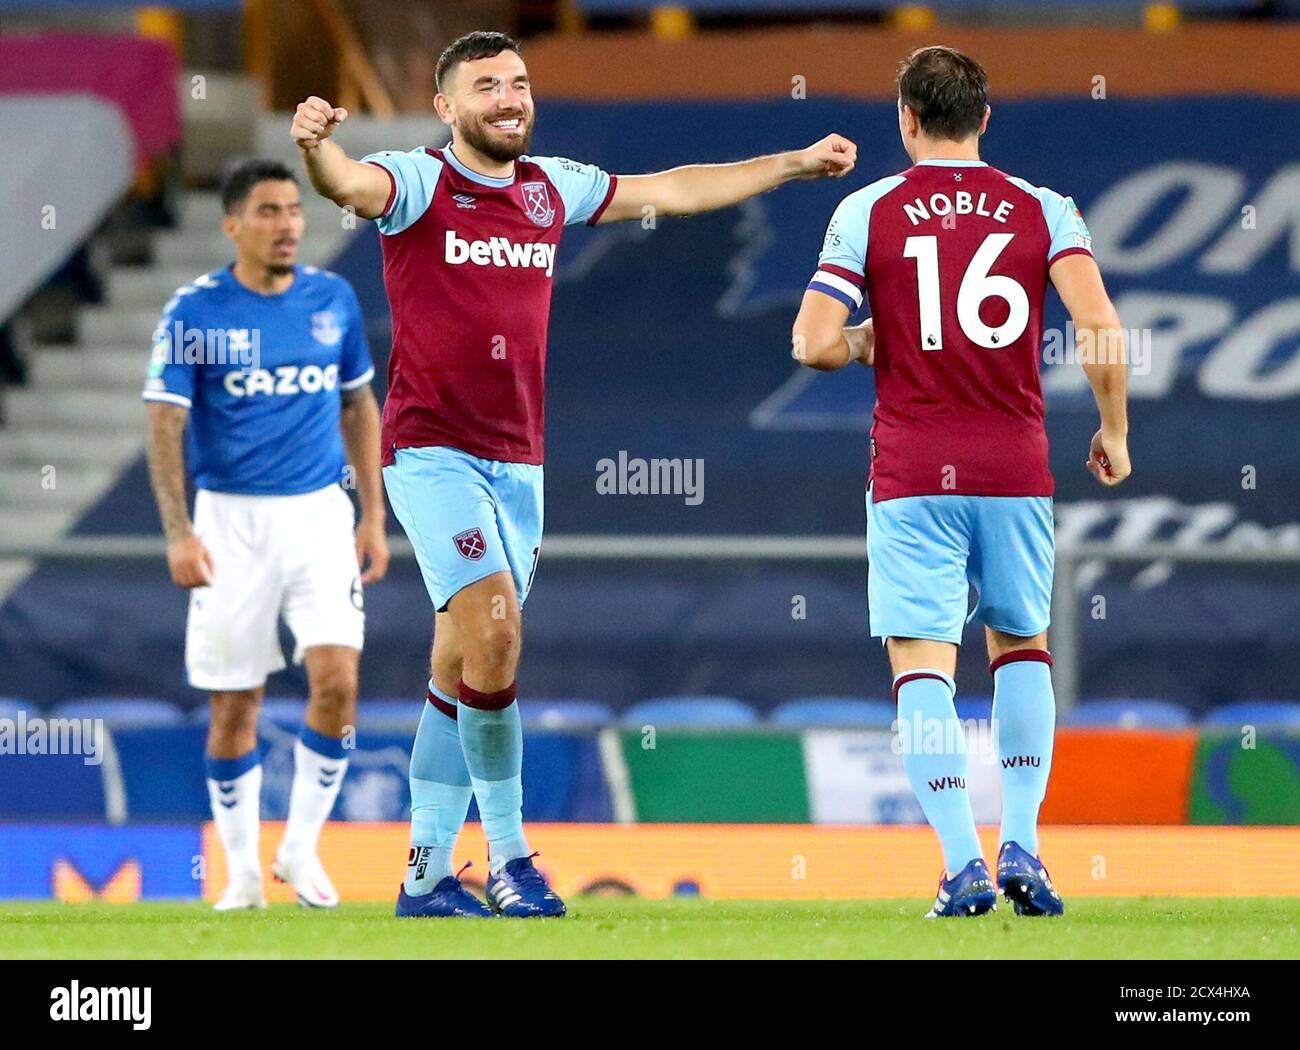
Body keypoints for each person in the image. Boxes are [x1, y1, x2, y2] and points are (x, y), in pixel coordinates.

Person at [292, 29, 857, 918]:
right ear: (447, 107)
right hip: (432, 454)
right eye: (487, 86)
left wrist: (788, 163)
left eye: (518, 82)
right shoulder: (419, 182)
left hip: (519, 463)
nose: (510, 98)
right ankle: (514, 859)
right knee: (500, 631)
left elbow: (672, 189)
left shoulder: (552, 188)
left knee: (463, 664)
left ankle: (427, 874)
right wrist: (319, 148)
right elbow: (349, 185)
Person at [792, 45, 1130, 918]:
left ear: (905, 119)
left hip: (912, 472)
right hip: (1014, 465)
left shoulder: (867, 209)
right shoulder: (1042, 208)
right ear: (985, 119)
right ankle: (1024, 844)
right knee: (1022, 647)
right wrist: (1114, 429)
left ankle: (960, 863)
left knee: (923, 668)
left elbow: (812, 343)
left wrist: (871, 339)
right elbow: (1098, 323)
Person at [143, 159, 389, 910]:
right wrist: (180, 532)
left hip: (319, 515)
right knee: (234, 704)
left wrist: (374, 515)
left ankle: (302, 849)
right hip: (230, 522)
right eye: (268, 211)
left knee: (339, 683)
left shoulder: (332, 300)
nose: (287, 224)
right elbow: (164, 419)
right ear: (232, 225)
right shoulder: (196, 313)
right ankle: (243, 872)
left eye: (293, 209)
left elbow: (359, 406)